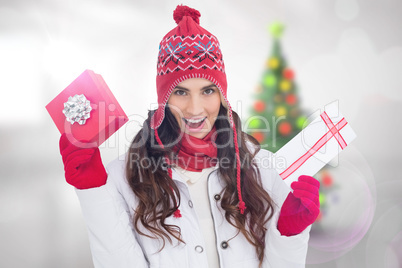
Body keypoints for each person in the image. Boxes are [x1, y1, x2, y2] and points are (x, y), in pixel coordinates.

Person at [59, 5, 320, 268]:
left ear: (223, 96)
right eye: (181, 92)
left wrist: (290, 233)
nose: (195, 109)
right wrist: (91, 191)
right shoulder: (126, 176)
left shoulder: (262, 168)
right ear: (164, 98)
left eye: (208, 91)